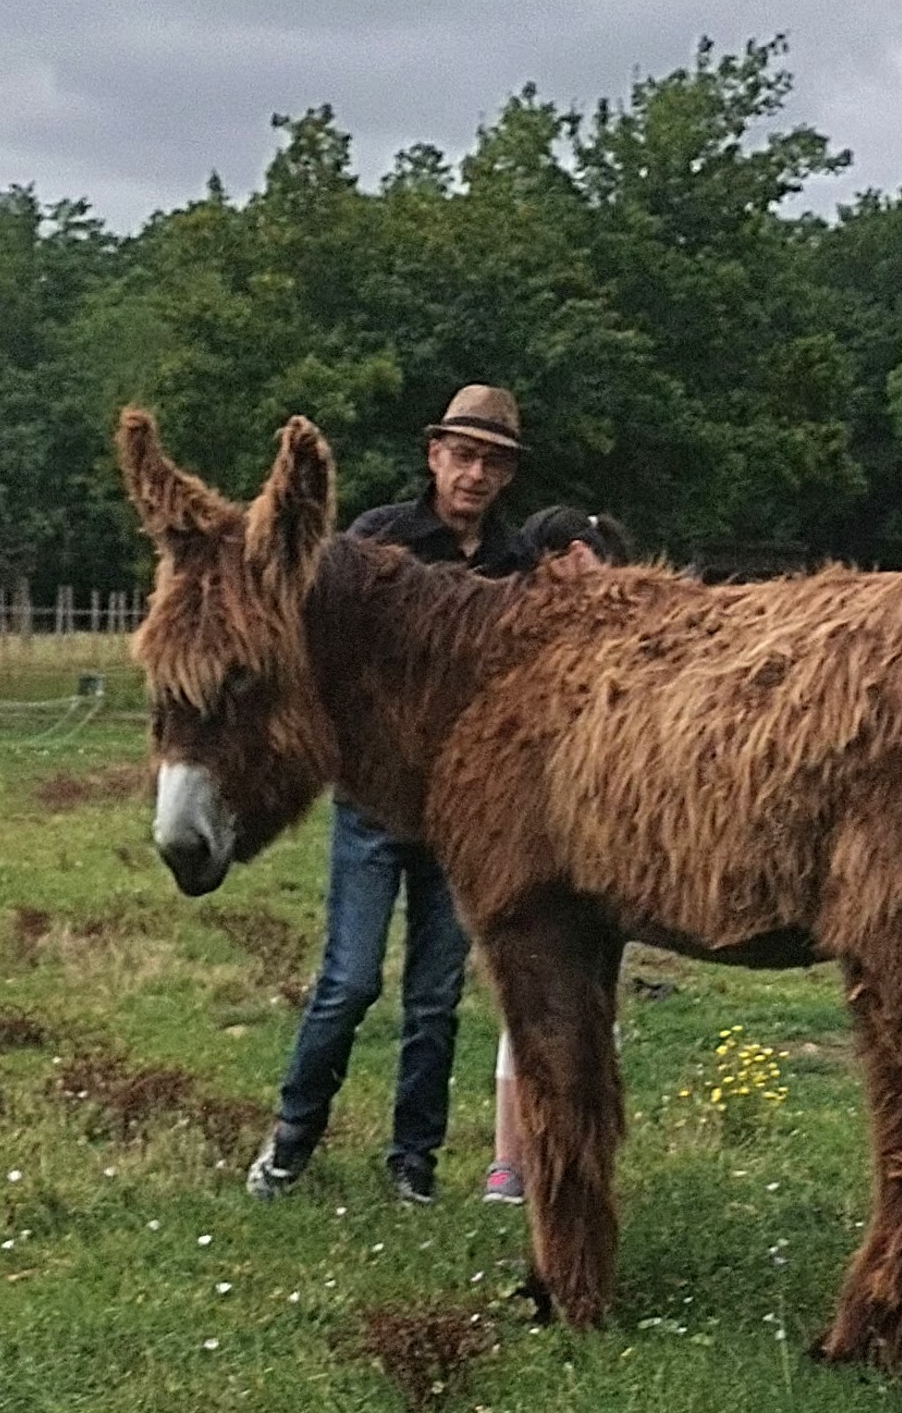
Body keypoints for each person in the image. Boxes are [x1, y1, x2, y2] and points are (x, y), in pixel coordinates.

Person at [245, 383, 534, 1206]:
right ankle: (292, 1137)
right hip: (375, 803)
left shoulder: (517, 570)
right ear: (434, 454)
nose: (474, 474)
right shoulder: (373, 542)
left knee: (436, 997)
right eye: (463, 454)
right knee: (350, 979)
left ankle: (415, 1160)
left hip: (460, 813)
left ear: (506, 474)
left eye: (492, 461)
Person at [482, 506, 633, 1199]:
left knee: (583, 1000)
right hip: (548, 842)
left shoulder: (615, 632)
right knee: (538, 1001)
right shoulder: (543, 638)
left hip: (602, 842)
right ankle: (518, 1161)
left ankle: (564, 1162)